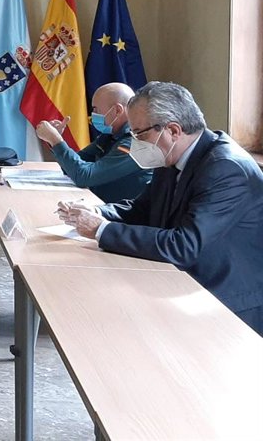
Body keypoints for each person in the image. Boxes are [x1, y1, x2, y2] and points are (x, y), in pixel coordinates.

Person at [59, 82, 263, 335]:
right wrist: (96, 213)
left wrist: (101, 230)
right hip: (181, 284)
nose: (135, 143)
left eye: (139, 134)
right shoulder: (172, 155)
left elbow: (183, 246)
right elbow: (142, 209)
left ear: (173, 130)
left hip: (226, 301)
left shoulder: (226, 168)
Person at [34, 82, 150, 202]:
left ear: (117, 110)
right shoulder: (109, 135)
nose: (92, 115)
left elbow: (84, 176)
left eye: (95, 110)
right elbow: (71, 169)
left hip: (122, 212)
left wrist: (56, 140)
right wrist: (55, 140)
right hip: (99, 204)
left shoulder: (135, 143)